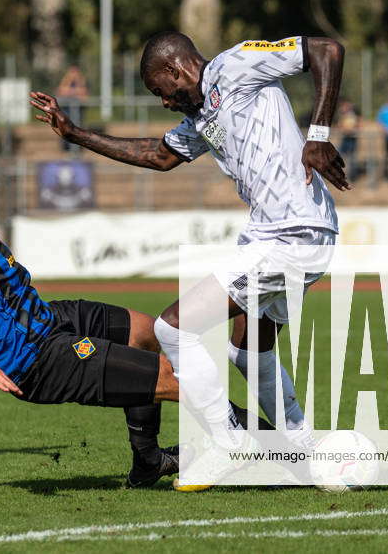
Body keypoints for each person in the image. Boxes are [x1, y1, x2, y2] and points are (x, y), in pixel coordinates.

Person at [32, 32, 347, 490]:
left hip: (293, 234)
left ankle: (229, 441)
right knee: (248, 351)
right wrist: (75, 133)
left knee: (172, 328)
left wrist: (317, 136)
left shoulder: (235, 65)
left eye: (160, 90)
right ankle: (307, 453)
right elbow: (159, 156)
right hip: (277, 234)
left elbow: (326, 50)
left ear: (176, 69)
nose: (163, 102)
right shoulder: (201, 118)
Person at [0, 117, 183, 488]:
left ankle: (148, 462)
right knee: (168, 376)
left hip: (43, 318)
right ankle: (258, 446)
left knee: (145, 331)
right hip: (33, 356)